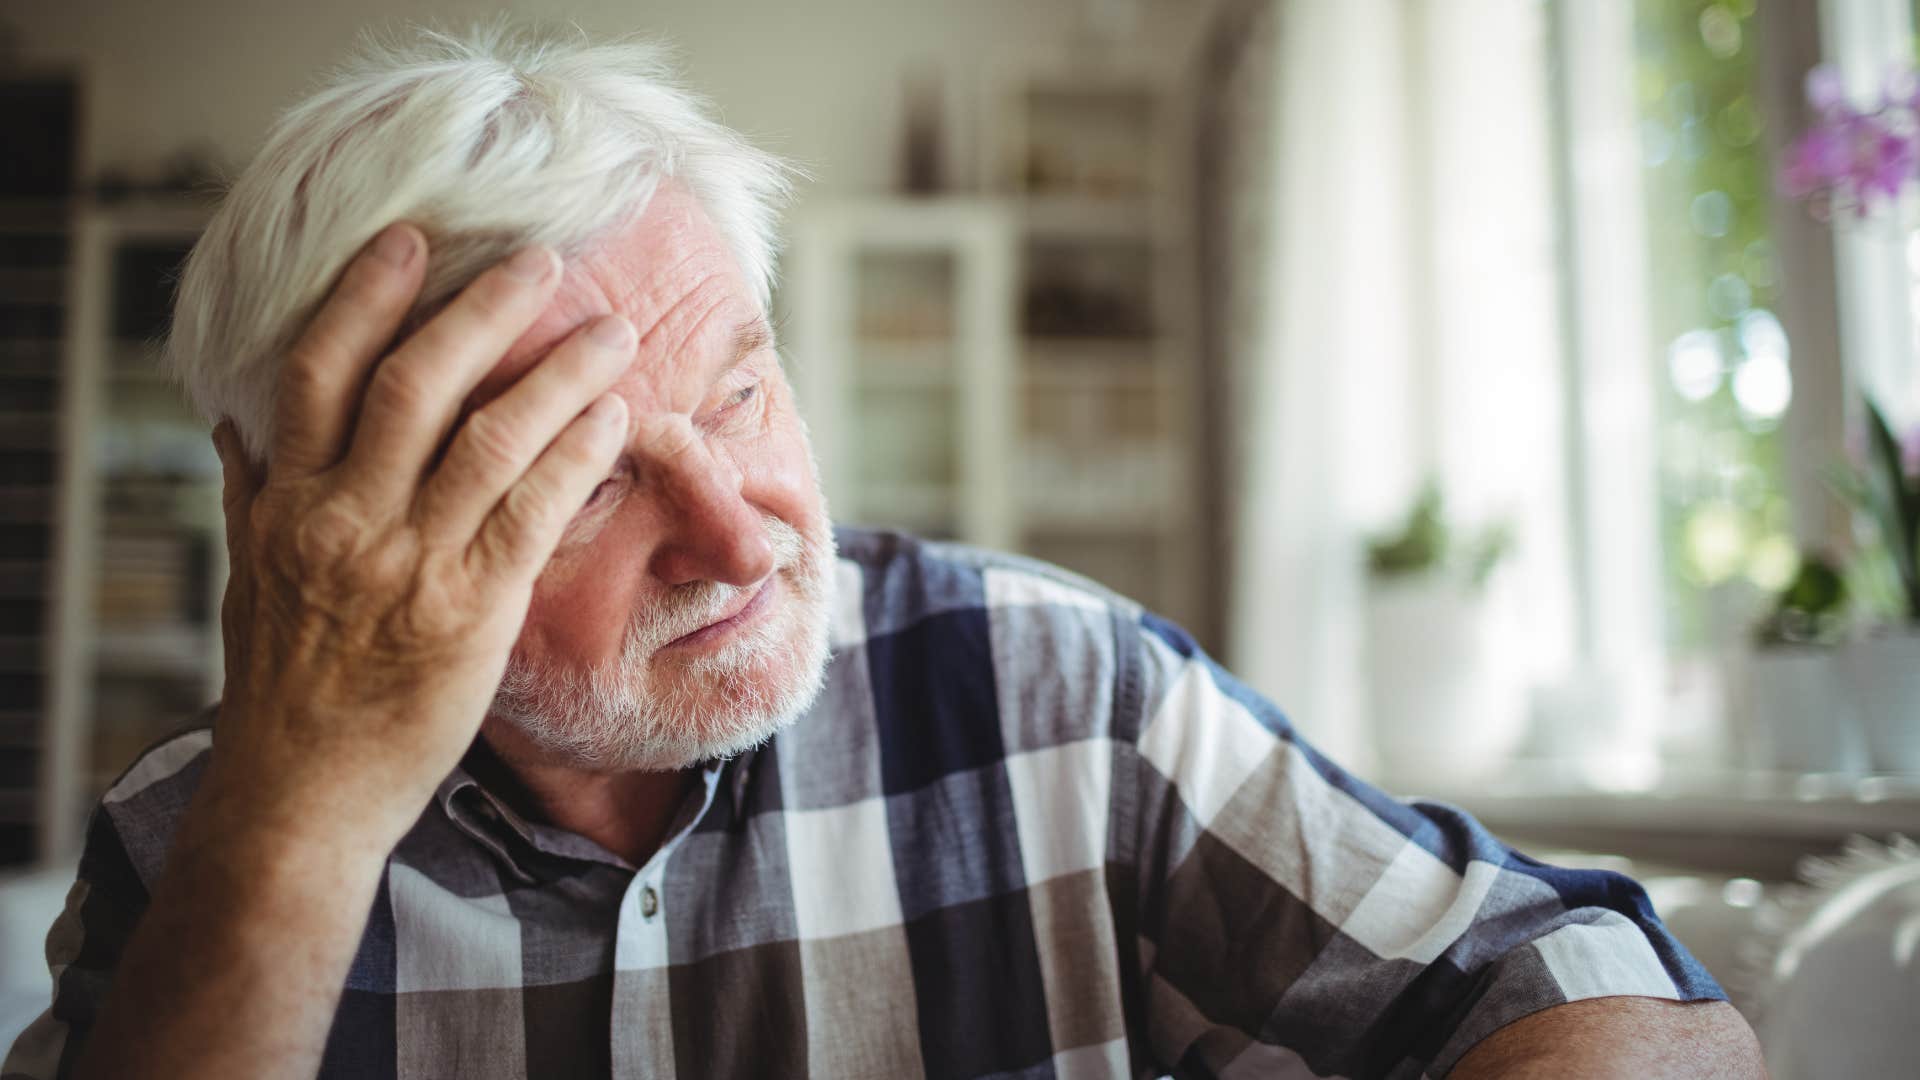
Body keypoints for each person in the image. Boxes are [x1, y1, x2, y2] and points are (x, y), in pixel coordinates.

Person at [6, 25, 1765, 1080]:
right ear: (331, 536)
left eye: (746, 388)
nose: (742, 530)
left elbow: (1583, 989)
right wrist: (301, 819)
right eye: (590, 484)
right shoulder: (199, 848)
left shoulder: (1058, 695)